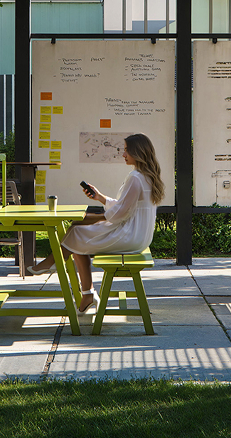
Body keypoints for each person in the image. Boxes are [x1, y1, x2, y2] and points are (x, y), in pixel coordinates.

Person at [47, 133, 164, 316]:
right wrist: (100, 197)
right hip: (140, 236)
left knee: (77, 232)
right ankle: (86, 293)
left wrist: (97, 217)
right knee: (78, 232)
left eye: (126, 150)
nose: (123, 154)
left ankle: (51, 262)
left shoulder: (135, 177)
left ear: (137, 152)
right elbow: (124, 207)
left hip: (131, 236)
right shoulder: (146, 176)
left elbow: (120, 213)